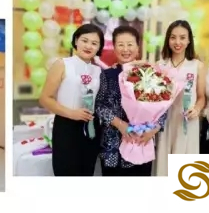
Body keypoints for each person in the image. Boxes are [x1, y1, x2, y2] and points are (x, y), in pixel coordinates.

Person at [96, 25, 166, 176]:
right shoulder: (107, 75)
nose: (125, 49)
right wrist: (120, 125)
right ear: (114, 48)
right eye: (120, 45)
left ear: (137, 48)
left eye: (130, 44)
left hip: (141, 142)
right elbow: (100, 106)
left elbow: (164, 106)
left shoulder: (149, 74)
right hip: (112, 146)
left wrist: (153, 130)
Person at [39, 23, 103, 176]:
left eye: (94, 43)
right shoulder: (62, 64)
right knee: (65, 172)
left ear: (99, 47)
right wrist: (72, 113)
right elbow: (45, 98)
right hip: (66, 126)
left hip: (91, 127)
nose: (89, 46)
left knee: (87, 172)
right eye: (84, 40)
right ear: (76, 41)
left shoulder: (98, 71)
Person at [154, 20, 205, 175]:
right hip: (165, 121)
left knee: (185, 167)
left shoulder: (197, 65)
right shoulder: (160, 65)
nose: (177, 42)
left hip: (187, 121)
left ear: (189, 40)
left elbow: (201, 97)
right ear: (167, 40)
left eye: (182, 38)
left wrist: (196, 109)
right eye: (173, 37)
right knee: (163, 165)